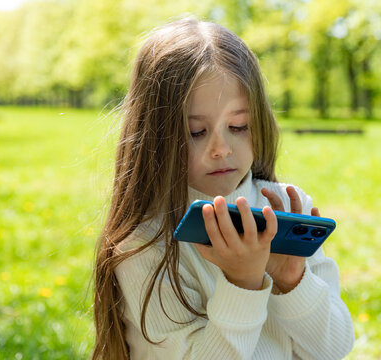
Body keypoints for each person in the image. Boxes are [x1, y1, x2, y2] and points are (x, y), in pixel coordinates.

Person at [92, 17, 355, 360]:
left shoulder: (289, 210)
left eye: (238, 125)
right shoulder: (145, 244)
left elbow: (333, 349)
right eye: (196, 132)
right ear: (155, 138)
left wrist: (293, 281)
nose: (221, 148)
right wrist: (242, 284)